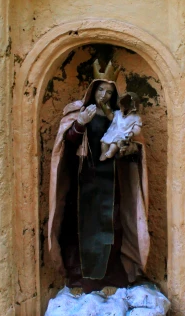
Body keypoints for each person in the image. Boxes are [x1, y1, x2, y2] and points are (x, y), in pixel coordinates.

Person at [48, 61, 149, 291]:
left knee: (111, 228)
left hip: (111, 182)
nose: (104, 95)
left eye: (109, 92)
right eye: (101, 90)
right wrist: (80, 124)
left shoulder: (119, 118)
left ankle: (111, 277)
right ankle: (79, 278)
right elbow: (66, 148)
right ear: (92, 90)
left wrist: (127, 149)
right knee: (77, 228)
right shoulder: (78, 113)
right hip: (83, 180)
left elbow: (136, 150)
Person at [100, 92, 142, 161]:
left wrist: (132, 133)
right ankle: (104, 152)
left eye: (127, 105)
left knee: (114, 144)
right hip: (112, 132)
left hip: (123, 135)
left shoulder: (136, 118)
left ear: (133, 107)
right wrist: (106, 110)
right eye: (123, 105)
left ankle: (111, 152)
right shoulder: (117, 113)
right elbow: (111, 117)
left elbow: (137, 128)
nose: (124, 108)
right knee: (103, 142)